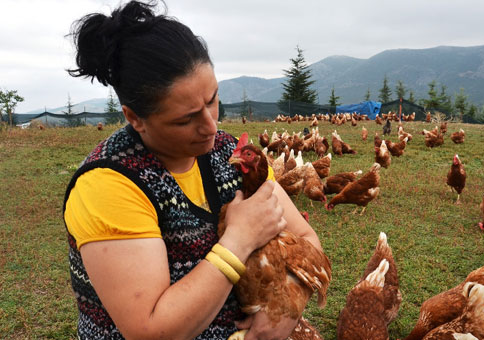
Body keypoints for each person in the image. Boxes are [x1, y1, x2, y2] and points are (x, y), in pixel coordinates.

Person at [63, 1, 323, 339]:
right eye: (186, 118)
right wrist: (238, 240)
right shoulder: (108, 184)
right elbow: (152, 331)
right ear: (135, 118)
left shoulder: (230, 154)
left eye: (213, 99)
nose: (211, 126)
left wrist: (286, 306)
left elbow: (307, 240)